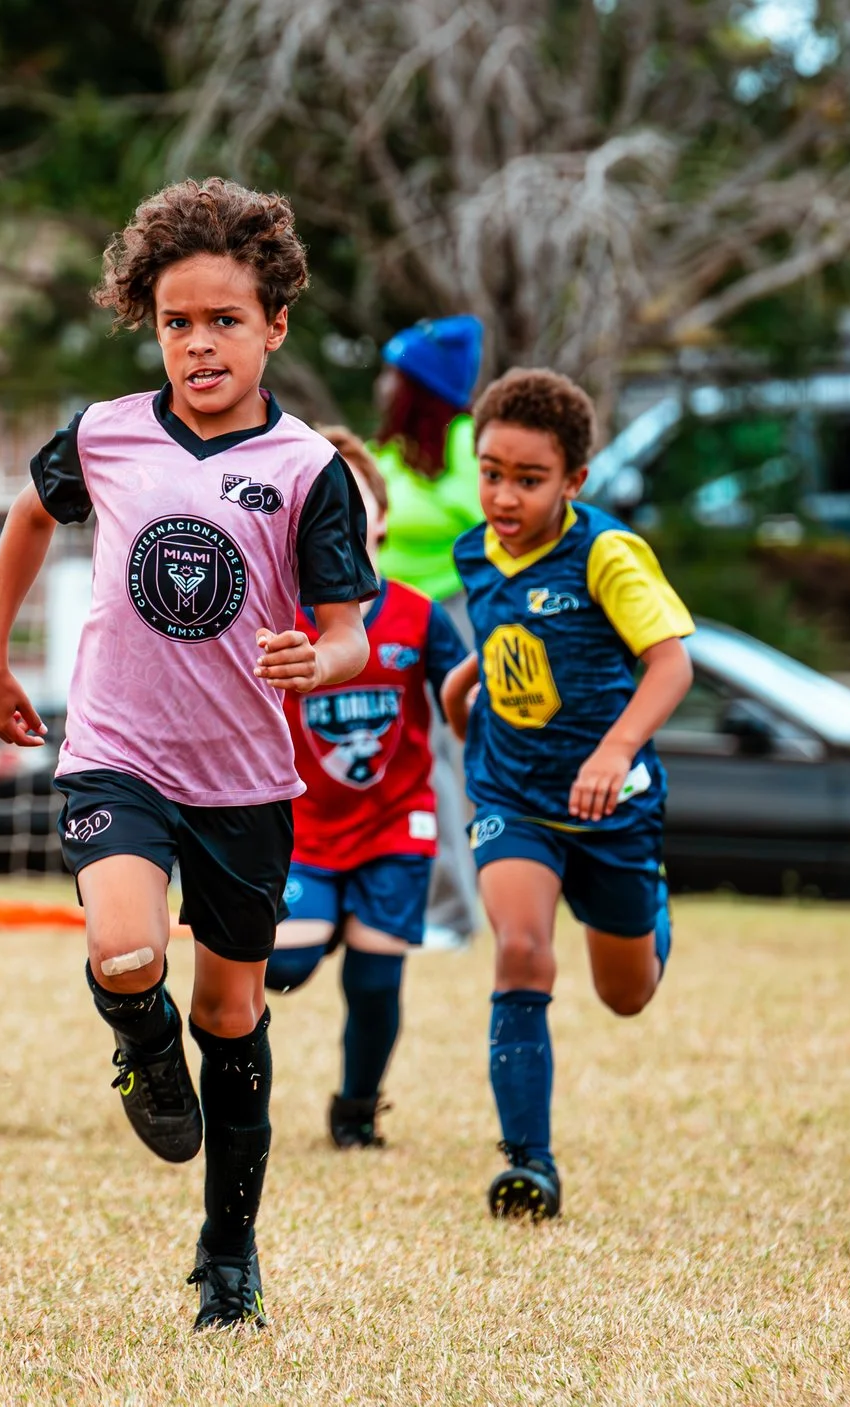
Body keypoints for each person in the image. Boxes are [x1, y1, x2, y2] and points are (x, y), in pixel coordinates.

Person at [0, 177, 377, 1329]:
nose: (199, 343)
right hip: (118, 754)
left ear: (275, 326)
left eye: (225, 321)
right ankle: (145, 1051)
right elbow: (28, 516)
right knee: (123, 953)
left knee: (236, 1015)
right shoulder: (103, 433)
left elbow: (349, 634)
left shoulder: (307, 470)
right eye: (176, 322)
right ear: (151, 325)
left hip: (245, 777)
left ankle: (228, 1256)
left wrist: (322, 663)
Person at [439, 368, 693, 1222]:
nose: (503, 495)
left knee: (627, 994)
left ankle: (648, 897)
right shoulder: (473, 550)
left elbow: (671, 663)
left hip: (611, 805)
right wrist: (465, 683)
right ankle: (529, 1162)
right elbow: (509, 627)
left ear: (575, 481)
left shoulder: (607, 553)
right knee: (520, 951)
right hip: (510, 792)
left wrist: (614, 750)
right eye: (490, 471)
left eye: (528, 478)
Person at [264, 427, 468, 1150]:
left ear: (379, 516)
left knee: (377, 980)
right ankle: (320, 926)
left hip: (395, 823)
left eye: (351, 497)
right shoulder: (278, 616)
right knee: (284, 965)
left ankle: (355, 1111)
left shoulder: (418, 614)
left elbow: (460, 702)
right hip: (306, 829)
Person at [369, 316, 486, 950]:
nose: (385, 385)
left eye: (396, 374)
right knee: (381, 758)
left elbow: (485, 523)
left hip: (452, 614)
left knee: (441, 762)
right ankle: (379, 901)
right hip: (388, 615)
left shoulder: (467, 446)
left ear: (421, 387)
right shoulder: (386, 452)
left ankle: (452, 915)